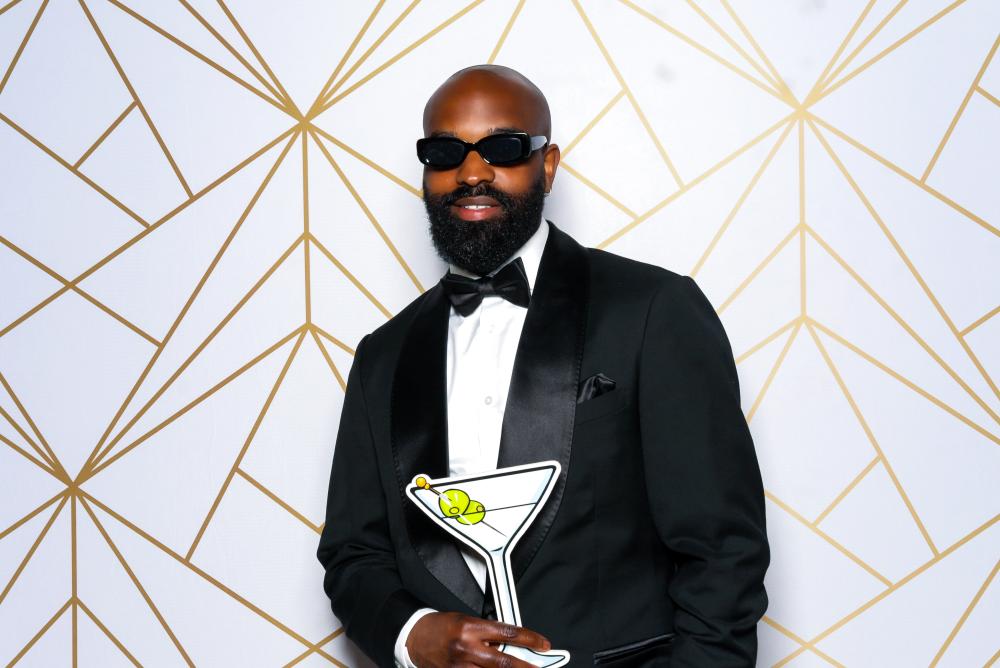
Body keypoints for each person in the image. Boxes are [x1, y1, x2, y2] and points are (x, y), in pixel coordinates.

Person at [317, 64, 769, 668]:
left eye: (503, 148)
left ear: (547, 165)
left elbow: (722, 551)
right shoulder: (383, 355)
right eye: (445, 152)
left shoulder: (653, 310)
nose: (471, 173)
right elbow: (353, 554)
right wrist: (412, 632)